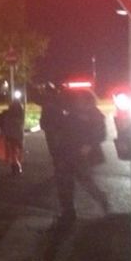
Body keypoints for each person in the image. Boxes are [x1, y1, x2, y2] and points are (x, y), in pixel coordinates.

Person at [53, 89, 108, 231]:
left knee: (85, 181)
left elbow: (100, 133)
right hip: (67, 152)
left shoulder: (94, 114)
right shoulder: (71, 113)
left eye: (81, 99)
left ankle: (103, 202)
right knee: (64, 183)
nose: (78, 101)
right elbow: (62, 129)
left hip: (81, 154)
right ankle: (68, 212)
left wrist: (89, 145)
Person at [0, 100, 25, 176]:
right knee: (15, 151)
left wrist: (2, 133)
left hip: (10, 135)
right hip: (17, 135)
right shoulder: (20, 114)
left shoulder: (7, 114)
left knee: (13, 151)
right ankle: (16, 166)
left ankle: (15, 166)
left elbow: (3, 123)